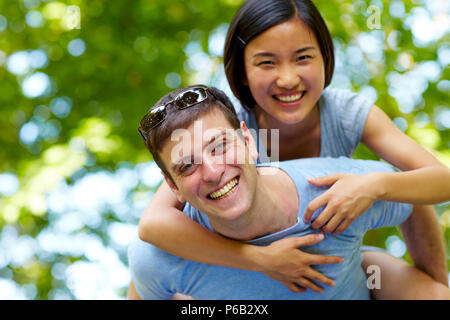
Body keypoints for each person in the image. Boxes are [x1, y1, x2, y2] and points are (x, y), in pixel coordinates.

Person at [137, 0, 450, 298]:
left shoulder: (347, 113)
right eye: (267, 63)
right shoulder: (225, 135)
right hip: (246, 265)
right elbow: (153, 225)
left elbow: (436, 182)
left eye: (303, 58)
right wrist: (257, 259)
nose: (287, 79)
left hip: (341, 257)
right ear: (242, 74)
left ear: (325, 60)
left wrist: (376, 187)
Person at [128, 85, 450, 299]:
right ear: (171, 185)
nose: (212, 172)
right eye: (187, 167)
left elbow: (413, 197)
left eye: (220, 147)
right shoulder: (160, 256)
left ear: (249, 140)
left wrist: (434, 282)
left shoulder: (340, 192)